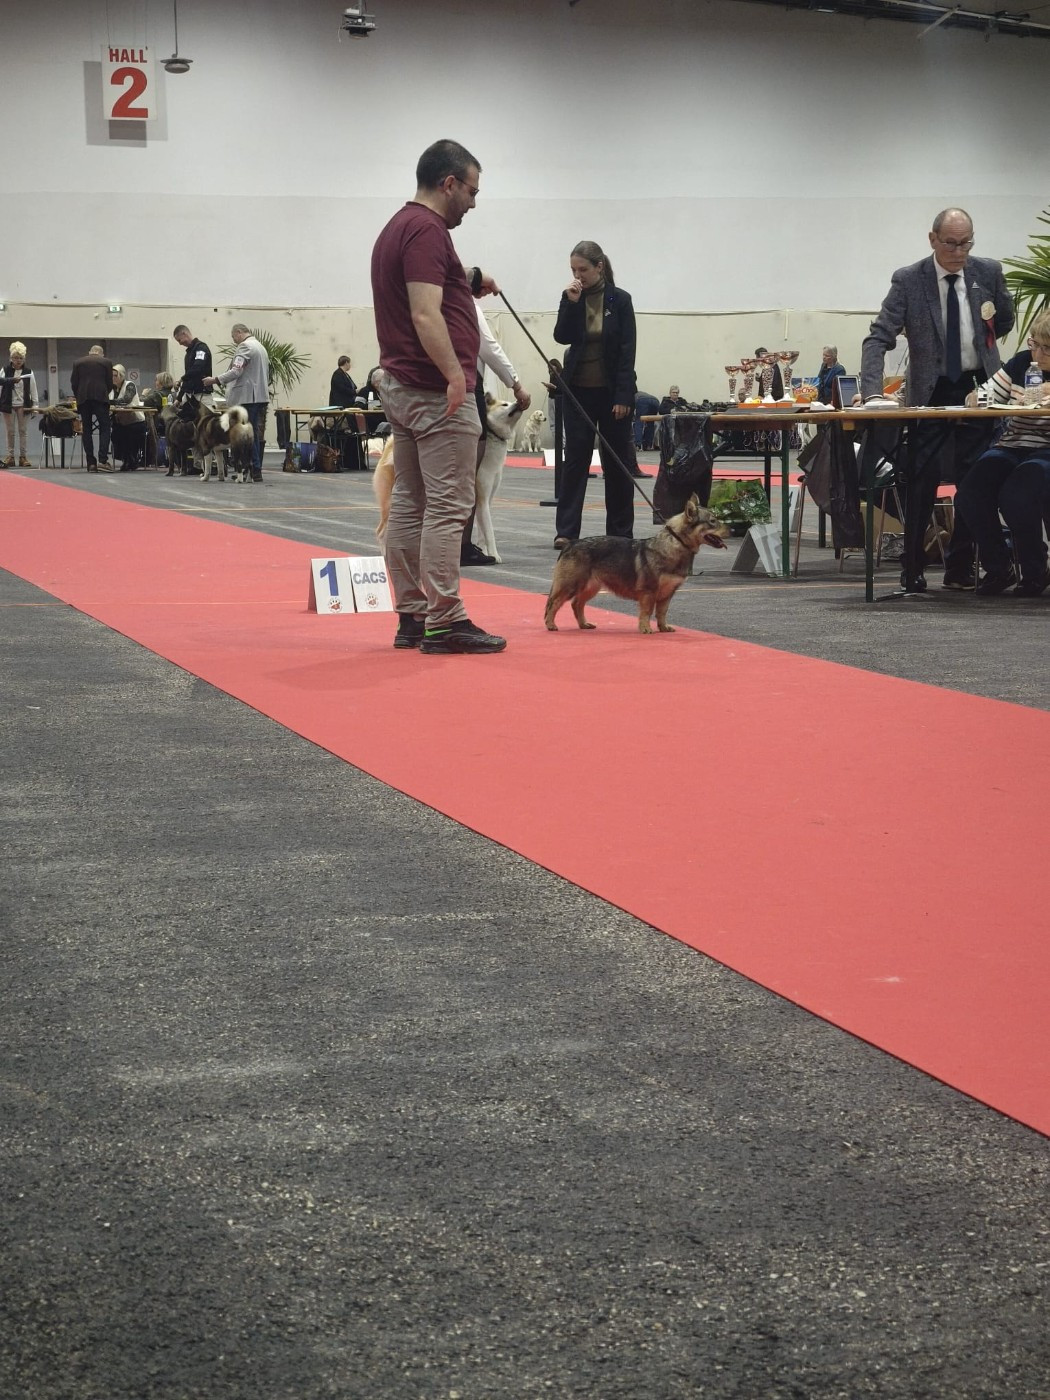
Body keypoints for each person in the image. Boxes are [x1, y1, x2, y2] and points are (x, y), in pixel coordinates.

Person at [370, 137, 506, 654]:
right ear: (449, 183)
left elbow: (438, 283)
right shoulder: (428, 231)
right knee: (450, 506)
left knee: (410, 500)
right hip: (434, 392)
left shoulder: (401, 226)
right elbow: (426, 312)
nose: (473, 202)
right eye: (472, 191)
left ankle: (412, 615)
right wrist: (455, 376)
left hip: (403, 387)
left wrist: (471, 277)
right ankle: (445, 620)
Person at [859, 207, 1014, 593]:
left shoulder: (988, 272)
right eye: (951, 243)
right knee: (921, 480)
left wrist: (986, 346)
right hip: (930, 391)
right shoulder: (910, 280)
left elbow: (1005, 320)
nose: (959, 252)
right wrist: (874, 392)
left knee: (973, 481)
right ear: (932, 240)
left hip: (980, 388)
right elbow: (878, 338)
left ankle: (959, 567)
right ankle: (912, 568)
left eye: (966, 243)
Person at [955, 311, 1050, 597]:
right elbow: (985, 393)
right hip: (1011, 444)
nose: (1038, 353)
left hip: (1046, 447)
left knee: (1017, 495)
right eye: (1035, 344)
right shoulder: (1022, 362)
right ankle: (998, 566)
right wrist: (976, 398)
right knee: (970, 493)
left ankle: (1035, 570)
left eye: (1046, 348)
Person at [551, 239, 637, 548]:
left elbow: (628, 352)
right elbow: (563, 336)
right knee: (575, 462)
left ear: (599, 267)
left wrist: (624, 397)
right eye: (573, 269)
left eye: (583, 269)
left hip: (612, 393)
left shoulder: (621, 301)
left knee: (617, 465)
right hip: (578, 394)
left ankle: (620, 533)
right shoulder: (571, 297)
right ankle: (566, 532)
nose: (578, 275)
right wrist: (571, 304)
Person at [463, 302, 531, 565]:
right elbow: (489, 347)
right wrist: (515, 382)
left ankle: (472, 545)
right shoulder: (469, 306)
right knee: (472, 489)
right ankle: (467, 546)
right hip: (468, 389)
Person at [205, 324, 269, 483]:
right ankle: (253, 470)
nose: (234, 341)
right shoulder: (260, 346)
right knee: (251, 433)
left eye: (234, 337)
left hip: (247, 398)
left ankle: (254, 469)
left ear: (239, 333)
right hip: (257, 396)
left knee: (246, 436)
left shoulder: (245, 347)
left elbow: (236, 371)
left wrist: (216, 379)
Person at [70, 344, 114, 472]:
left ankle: (91, 463)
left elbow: (74, 383)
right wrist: (105, 392)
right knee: (105, 428)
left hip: (84, 399)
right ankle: (103, 460)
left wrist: (79, 395)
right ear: (102, 354)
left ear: (90, 352)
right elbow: (109, 383)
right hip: (100, 398)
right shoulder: (106, 362)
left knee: (87, 429)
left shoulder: (78, 362)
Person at [0, 341, 39, 468]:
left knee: (23, 431)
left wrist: (35, 407)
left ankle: (23, 457)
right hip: (8, 405)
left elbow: (34, 390)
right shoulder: (4, 370)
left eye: (21, 358)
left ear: (24, 359)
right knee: (10, 431)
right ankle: (10, 456)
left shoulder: (29, 372)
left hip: (24, 405)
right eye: (16, 358)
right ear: (11, 358)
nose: (18, 361)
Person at [109, 364, 146, 470]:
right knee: (115, 434)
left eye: (115, 375)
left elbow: (126, 400)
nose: (113, 378)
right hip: (120, 421)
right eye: (111, 376)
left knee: (128, 434)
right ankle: (127, 459)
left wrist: (107, 401)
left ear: (121, 375)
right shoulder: (112, 389)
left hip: (135, 421)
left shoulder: (130, 385)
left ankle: (130, 459)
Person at [172, 325, 212, 402]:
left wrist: (181, 380)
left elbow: (197, 368)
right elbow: (188, 376)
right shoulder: (189, 353)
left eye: (179, 340)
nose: (180, 344)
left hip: (202, 395)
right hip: (190, 395)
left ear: (184, 333)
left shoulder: (201, 348)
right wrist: (179, 398)